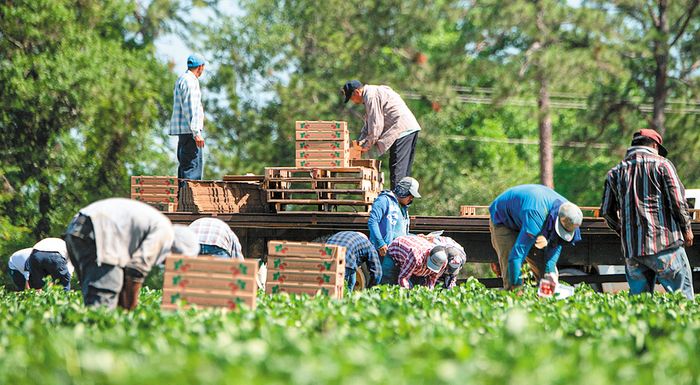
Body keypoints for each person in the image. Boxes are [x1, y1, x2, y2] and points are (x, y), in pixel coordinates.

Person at [601, 129, 694, 299]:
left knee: (639, 305)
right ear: (654, 145)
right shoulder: (662, 165)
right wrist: (686, 229)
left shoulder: (614, 172)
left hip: (633, 251)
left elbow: (607, 212)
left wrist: (625, 232)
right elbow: (678, 201)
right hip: (665, 246)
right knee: (683, 300)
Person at [64, 198, 199, 310]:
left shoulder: (153, 224)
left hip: (77, 228)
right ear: (177, 250)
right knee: (103, 305)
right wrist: (131, 309)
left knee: (96, 294)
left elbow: (126, 275)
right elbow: (136, 270)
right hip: (98, 232)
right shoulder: (166, 232)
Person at [489, 184, 583, 290]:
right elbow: (516, 256)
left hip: (526, 215)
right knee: (510, 267)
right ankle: (514, 299)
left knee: (544, 271)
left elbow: (554, 249)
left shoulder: (569, 214)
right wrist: (517, 286)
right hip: (503, 219)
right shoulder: (536, 216)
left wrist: (550, 274)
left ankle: (544, 301)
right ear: (556, 221)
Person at [341, 80, 421, 189]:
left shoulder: (371, 97)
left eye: (351, 98)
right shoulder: (373, 92)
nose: (353, 101)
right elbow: (369, 124)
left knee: (397, 174)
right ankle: (402, 204)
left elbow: (376, 127)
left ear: (356, 92)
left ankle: (396, 204)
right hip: (410, 128)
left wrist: (365, 147)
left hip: (402, 130)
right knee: (403, 175)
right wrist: (359, 142)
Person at [367, 177, 420, 284]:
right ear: (403, 191)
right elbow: (373, 221)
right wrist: (381, 243)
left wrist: (417, 237)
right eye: (410, 195)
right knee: (382, 281)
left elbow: (402, 233)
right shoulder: (384, 200)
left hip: (397, 255)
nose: (411, 199)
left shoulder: (403, 208)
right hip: (383, 252)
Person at [170, 53, 206, 187]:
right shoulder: (191, 81)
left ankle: (182, 202)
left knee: (185, 169)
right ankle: (189, 203)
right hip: (191, 133)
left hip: (183, 133)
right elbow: (192, 107)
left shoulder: (181, 79)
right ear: (200, 67)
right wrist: (196, 133)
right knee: (192, 170)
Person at [316, 231, 382, 291]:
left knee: (327, 283)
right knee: (342, 287)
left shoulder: (342, 234)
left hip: (327, 256)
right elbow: (377, 273)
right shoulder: (368, 244)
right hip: (345, 259)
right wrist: (370, 289)